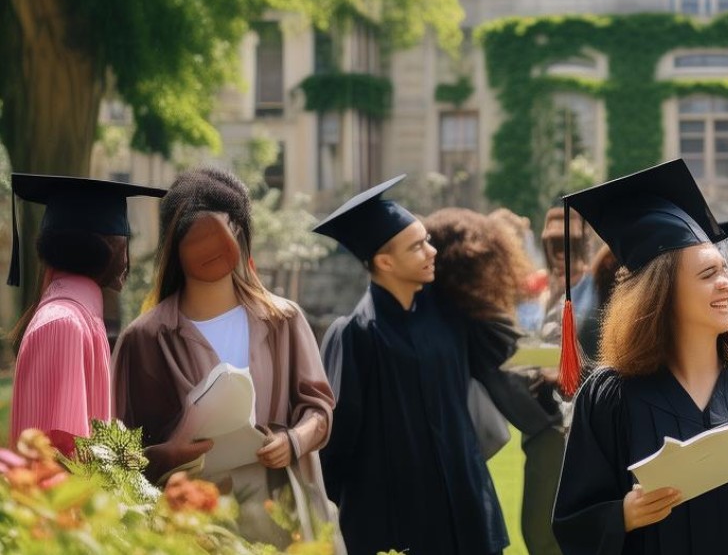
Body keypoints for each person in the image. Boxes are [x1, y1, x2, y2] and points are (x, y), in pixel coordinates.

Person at [551, 159, 728, 554]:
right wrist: (622, 514)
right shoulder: (612, 396)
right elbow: (573, 523)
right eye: (709, 275)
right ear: (664, 293)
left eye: (724, 270)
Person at [112, 167, 337, 547]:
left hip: (280, 517)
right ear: (174, 242)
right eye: (195, 231)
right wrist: (167, 456)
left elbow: (318, 408)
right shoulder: (144, 338)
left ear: (242, 233)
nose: (213, 243)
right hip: (191, 527)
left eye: (229, 225)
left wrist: (293, 441)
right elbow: (119, 451)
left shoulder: (283, 320)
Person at [316, 176, 508, 555]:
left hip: (464, 502)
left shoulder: (452, 314)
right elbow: (336, 443)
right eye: (417, 246)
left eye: (428, 241)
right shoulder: (357, 334)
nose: (431, 252)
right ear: (385, 261)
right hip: (395, 516)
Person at [424, 206, 564, 555]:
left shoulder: (454, 313)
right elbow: (524, 360)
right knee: (542, 535)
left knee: (541, 535)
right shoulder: (473, 314)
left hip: (547, 429)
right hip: (548, 427)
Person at [8, 174, 166, 454]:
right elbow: (65, 457)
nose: (128, 258)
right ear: (106, 244)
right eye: (124, 239)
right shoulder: (64, 324)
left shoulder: (77, 317)